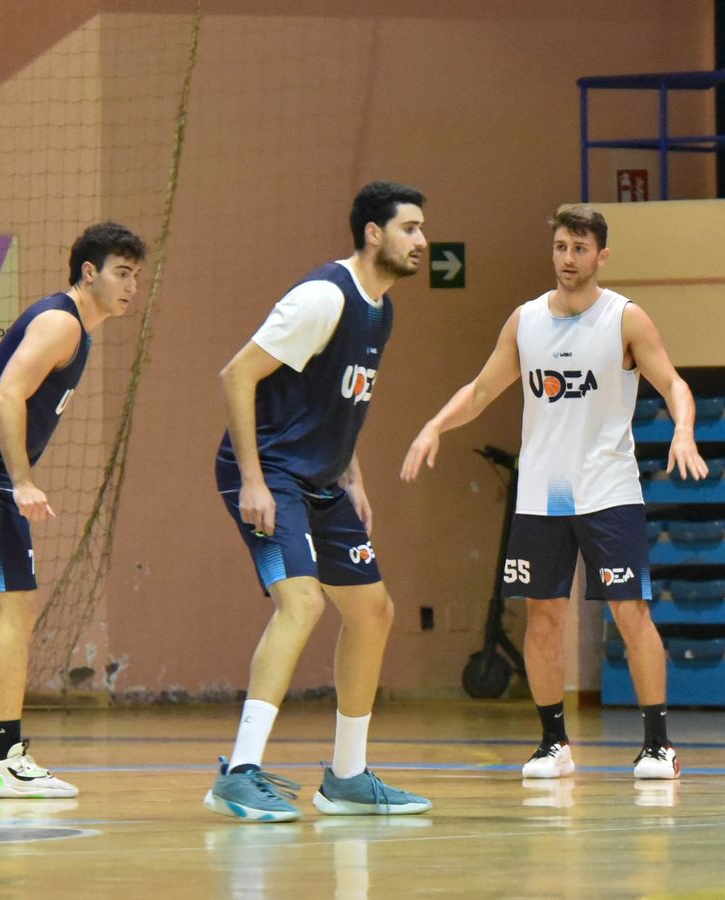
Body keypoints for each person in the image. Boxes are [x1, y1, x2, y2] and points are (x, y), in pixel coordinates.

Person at [402, 205, 708, 782]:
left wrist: (683, 428)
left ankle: (657, 744)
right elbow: (483, 388)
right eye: (561, 247)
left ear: (602, 255)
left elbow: (672, 382)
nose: (568, 259)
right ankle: (553, 744)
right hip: (541, 495)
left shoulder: (625, 319)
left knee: (630, 612)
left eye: (579, 249)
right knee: (541, 616)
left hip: (609, 490)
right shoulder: (525, 321)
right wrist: (434, 425)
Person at [203, 181, 432, 823]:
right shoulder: (323, 297)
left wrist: (353, 476)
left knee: (373, 611)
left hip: (322, 480)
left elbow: (337, 403)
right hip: (271, 472)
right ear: (372, 234)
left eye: (421, 228)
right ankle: (239, 772)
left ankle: (349, 778)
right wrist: (251, 478)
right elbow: (237, 374)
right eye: (410, 228)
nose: (422, 240)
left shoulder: (380, 311)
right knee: (301, 603)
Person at [0, 221, 147, 798]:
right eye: (122, 273)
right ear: (88, 272)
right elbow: (6, 395)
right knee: (14, 613)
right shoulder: (61, 322)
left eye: (137, 277)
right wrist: (22, 481)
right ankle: (6, 757)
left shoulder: (77, 330)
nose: (131, 286)